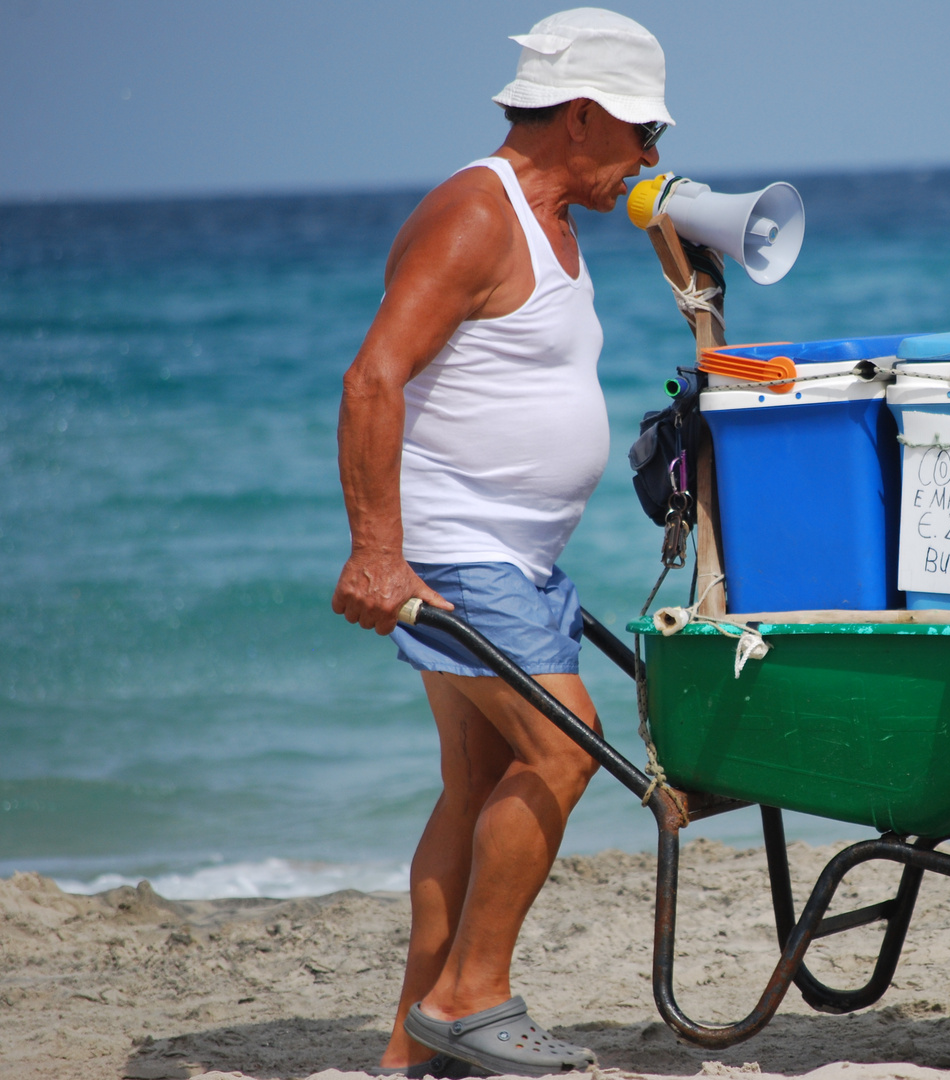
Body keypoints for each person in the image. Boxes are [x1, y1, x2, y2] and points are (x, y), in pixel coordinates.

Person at [329, 9, 670, 1076]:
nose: (654, 157)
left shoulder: (557, 222)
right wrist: (377, 552)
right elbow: (372, 377)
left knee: (478, 784)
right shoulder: (475, 213)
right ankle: (472, 995)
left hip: (519, 555)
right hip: (458, 545)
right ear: (580, 117)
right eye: (641, 134)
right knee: (562, 751)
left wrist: (685, 270)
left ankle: (406, 1050)